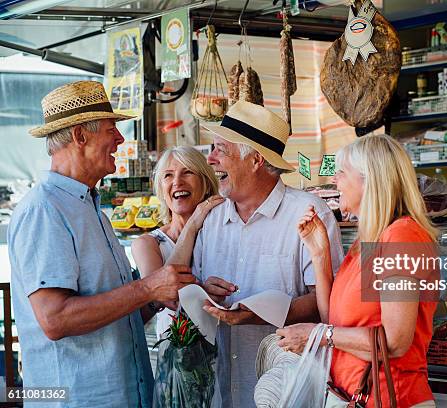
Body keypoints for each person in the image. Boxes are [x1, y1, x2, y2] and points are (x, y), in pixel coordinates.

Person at [8, 81, 196, 407]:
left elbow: (114, 312)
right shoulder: (45, 210)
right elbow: (55, 319)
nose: (120, 139)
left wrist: (169, 295)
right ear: (80, 136)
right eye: (112, 129)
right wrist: (148, 288)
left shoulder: (90, 208)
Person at [182, 100, 345, 408]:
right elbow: (193, 291)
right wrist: (203, 292)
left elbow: (329, 304)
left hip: (286, 390)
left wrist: (262, 313)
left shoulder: (310, 213)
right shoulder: (212, 218)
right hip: (221, 389)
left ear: (256, 160)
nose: (211, 159)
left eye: (220, 149)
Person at [277, 135, 439, 407]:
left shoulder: (401, 237)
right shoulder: (366, 242)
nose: (335, 180)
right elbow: (334, 321)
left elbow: (394, 342)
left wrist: (316, 335)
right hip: (354, 397)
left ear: (369, 180)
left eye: (342, 173)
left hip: (392, 397)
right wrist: (320, 254)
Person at [131, 146, 224, 340]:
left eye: (187, 172)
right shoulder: (148, 244)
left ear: (206, 183)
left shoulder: (222, 233)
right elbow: (165, 295)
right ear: (161, 189)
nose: (177, 182)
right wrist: (192, 225)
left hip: (227, 345)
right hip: (179, 357)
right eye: (168, 175)